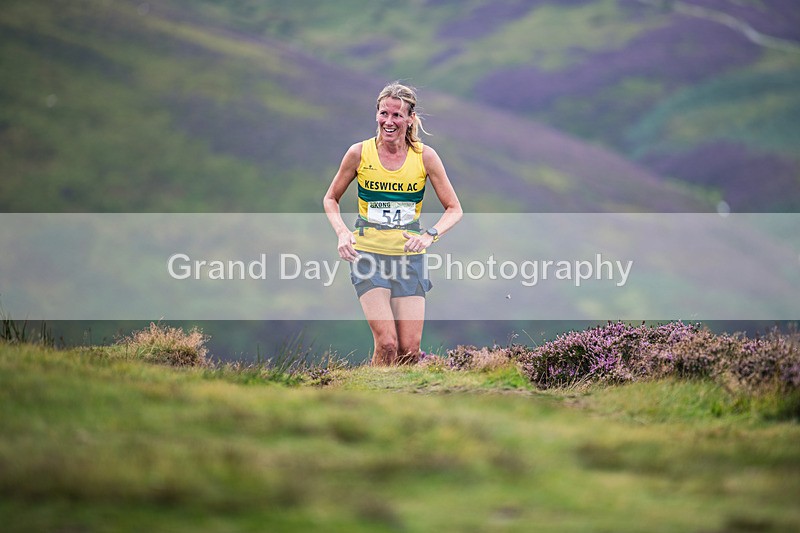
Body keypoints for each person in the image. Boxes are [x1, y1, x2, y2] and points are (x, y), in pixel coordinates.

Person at [323, 82, 462, 366]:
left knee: (409, 351)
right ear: (376, 114)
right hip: (368, 255)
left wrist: (429, 235)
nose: (389, 121)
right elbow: (330, 198)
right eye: (384, 113)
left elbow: (454, 209)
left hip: (409, 259)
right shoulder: (359, 153)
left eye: (397, 115)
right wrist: (341, 233)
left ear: (410, 118)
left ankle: (399, 404)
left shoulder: (425, 157)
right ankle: (369, 401)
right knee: (387, 344)